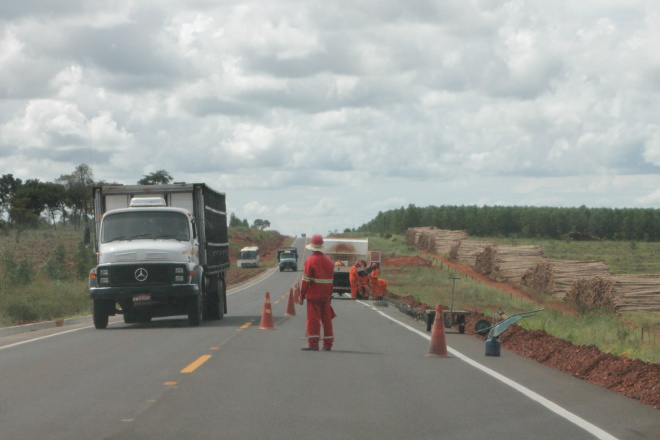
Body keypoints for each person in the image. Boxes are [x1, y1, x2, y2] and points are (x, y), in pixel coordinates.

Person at [299, 234, 336, 351]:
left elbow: (306, 281)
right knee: (327, 320)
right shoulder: (330, 262)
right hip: (325, 297)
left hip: (314, 296)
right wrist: (329, 296)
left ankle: (313, 344)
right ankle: (328, 344)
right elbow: (331, 282)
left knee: (313, 320)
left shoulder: (310, 261)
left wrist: (302, 295)